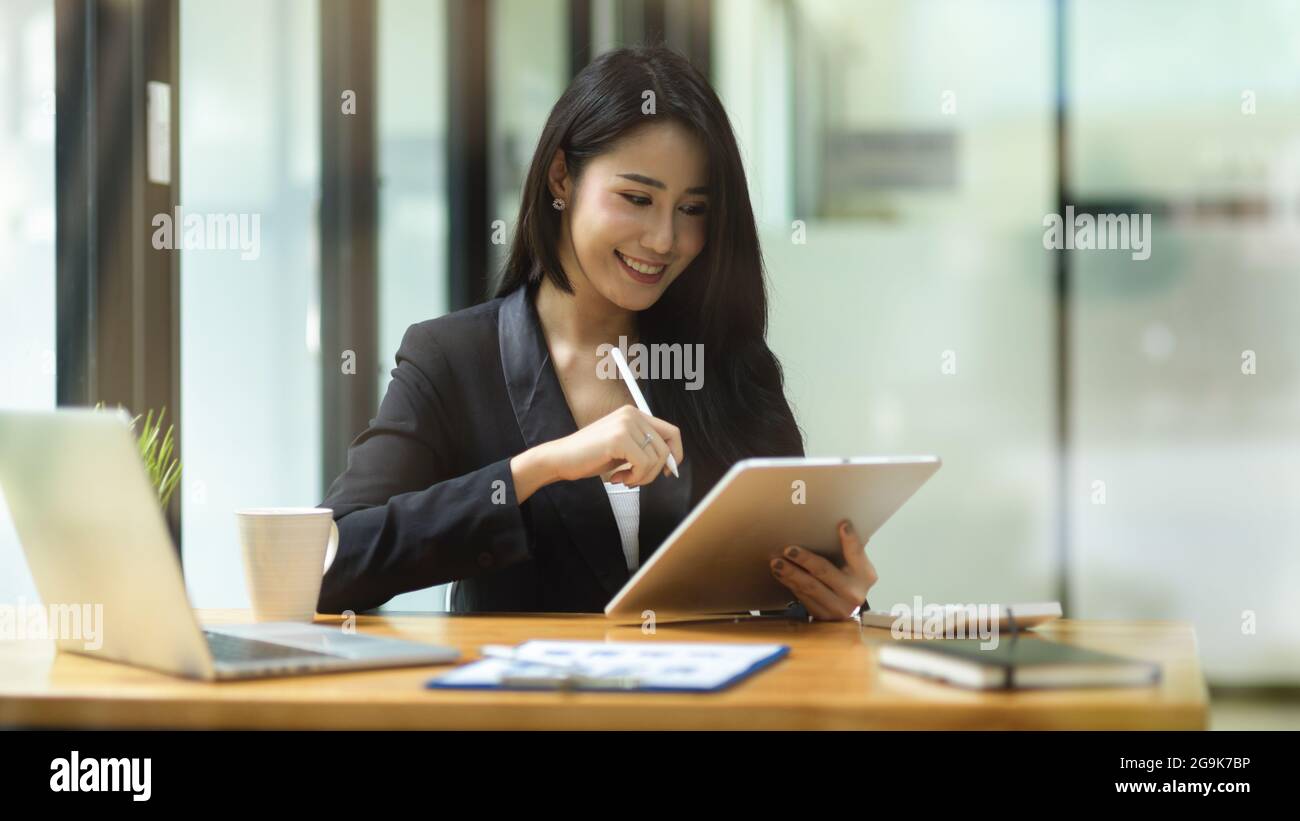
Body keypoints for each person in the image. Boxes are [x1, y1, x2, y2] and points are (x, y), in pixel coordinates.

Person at [317, 45, 878, 620]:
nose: (664, 240)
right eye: (637, 199)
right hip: (532, 709)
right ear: (562, 177)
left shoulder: (727, 362)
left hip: (709, 708)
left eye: (691, 210)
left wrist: (835, 602)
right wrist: (541, 467)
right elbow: (328, 565)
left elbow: (785, 583)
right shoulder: (455, 358)